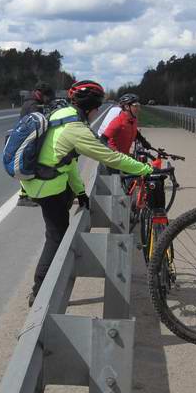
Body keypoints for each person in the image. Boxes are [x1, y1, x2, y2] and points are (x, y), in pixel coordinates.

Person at [20, 80, 154, 306]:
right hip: (46, 187)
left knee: (58, 230)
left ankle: (43, 285)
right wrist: (146, 169)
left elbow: (66, 159)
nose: (98, 112)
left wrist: (80, 191)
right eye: (97, 108)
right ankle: (39, 290)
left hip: (45, 180)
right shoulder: (76, 129)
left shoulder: (62, 113)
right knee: (56, 236)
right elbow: (109, 157)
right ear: (91, 108)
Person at [17, 82, 56, 207]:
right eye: (47, 97)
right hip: (28, 140)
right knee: (28, 168)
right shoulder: (32, 105)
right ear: (40, 93)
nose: (48, 100)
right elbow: (38, 122)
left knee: (29, 168)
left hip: (28, 139)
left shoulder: (31, 102)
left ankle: (27, 194)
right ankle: (23, 197)